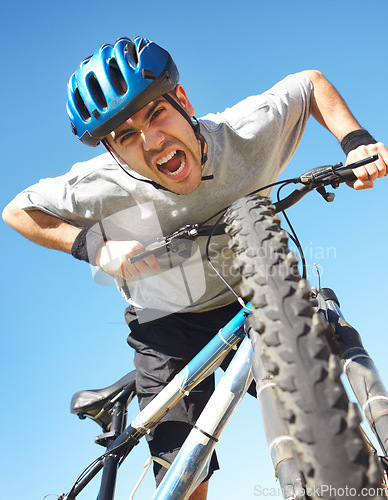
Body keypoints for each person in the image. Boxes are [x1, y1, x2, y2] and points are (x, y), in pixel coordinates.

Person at [3, 36, 388, 499]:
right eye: (126, 136)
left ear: (182, 100)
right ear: (112, 153)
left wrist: (357, 141)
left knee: (324, 337)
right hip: (166, 323)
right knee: (185, 479)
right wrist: (92, 245)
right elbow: (17, 211)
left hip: (258, 284)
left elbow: (308, 85)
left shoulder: (245, 131)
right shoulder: (99, 185)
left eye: (155, 113)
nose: (152, 141)